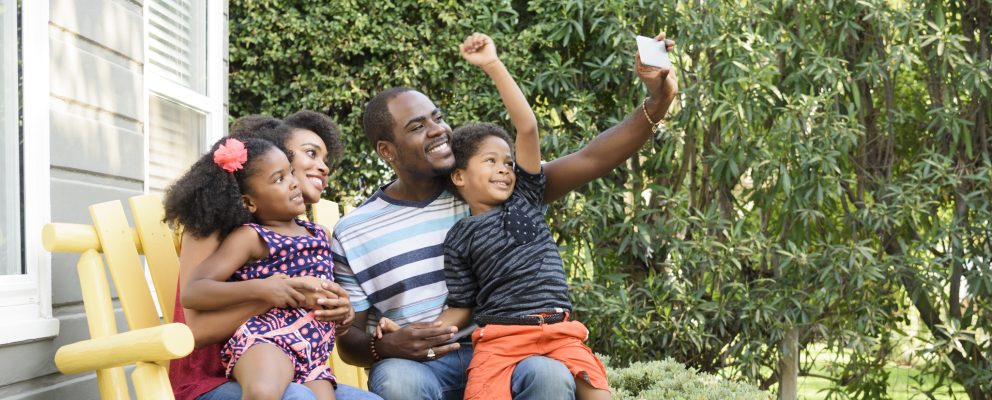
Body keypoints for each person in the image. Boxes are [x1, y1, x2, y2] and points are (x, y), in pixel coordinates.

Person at [332, 31, 677, 400]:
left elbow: (592, 158)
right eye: (417, 127)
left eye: (438, 118)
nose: (438, 131)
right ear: (387, 151)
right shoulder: (355, 230)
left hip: (516, 350)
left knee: (547, 372)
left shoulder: (496, 188)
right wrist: (388, 345)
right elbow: (349, 341)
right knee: (397, 379)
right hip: (425, 365)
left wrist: (660, 100)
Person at [375, 32, 613, 400]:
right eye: (490, 161)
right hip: (500, 341)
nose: (505, 170)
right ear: (459, 176)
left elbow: (528, 127)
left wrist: (492, 65)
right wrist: (416, 330)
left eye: (507, 163)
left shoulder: (526, 199)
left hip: (560, 331)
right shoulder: (460, 237)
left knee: (598, 393)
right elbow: (460, 306)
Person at [168, 113, 382, 400]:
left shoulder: (313, 234)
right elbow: (195, 327)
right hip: (211, 378)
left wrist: (342, 313)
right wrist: (273, 293)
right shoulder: (217, 222)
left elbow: (316, 310)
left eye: (325, 159)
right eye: (309, 153)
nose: (323, 167)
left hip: (303, 364)